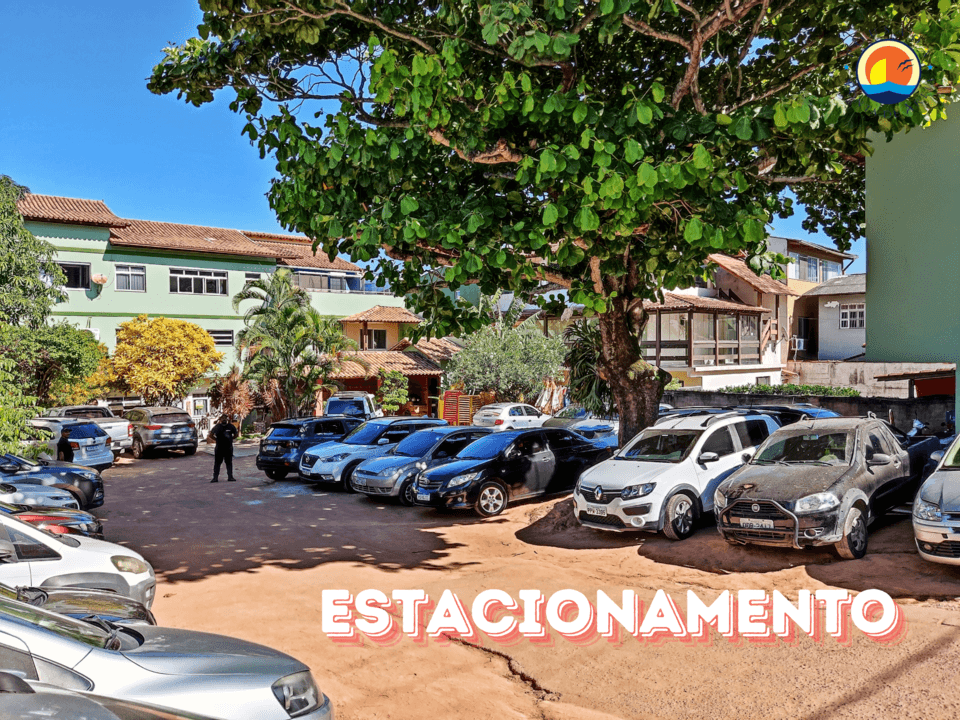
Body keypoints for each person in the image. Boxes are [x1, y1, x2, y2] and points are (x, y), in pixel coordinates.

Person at [208, 415, 238, 483]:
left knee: (229, 463)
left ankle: (230, 477)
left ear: (227, 419)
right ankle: (215, 478)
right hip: (219, 448)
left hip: (228, 448)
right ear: (220, 419)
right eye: (222, 418)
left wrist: (230, 439)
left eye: (225, 418)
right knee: (217, 463)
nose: (224, 420)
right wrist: (216, 440)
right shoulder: (217, 427)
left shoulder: (231, 426)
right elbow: (211, 435)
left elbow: (236, 434)